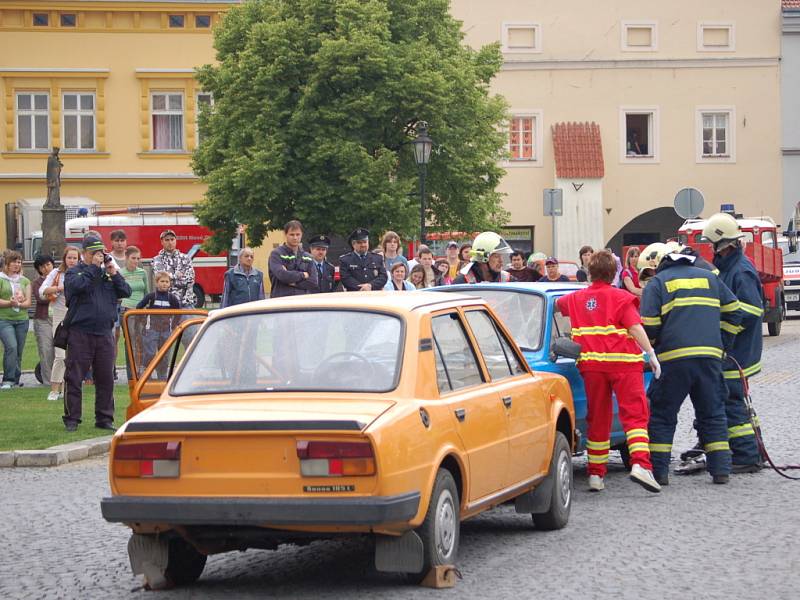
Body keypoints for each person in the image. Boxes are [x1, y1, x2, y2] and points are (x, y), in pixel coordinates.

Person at [556, 250, 662, 493]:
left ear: (590, 272)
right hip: (624, 365)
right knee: (635, 415)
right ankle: (641, 466)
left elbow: (558, 305)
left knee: (598, 417)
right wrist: (651, 355)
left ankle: (595, 474)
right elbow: (635, 328)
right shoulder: (621, 298)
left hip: (592, 367)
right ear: (614, 273)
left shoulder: (574, 299)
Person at [640, 242, 741, 485]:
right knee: (713, 413)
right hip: (709, 359)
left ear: (656, 266)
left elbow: (649, 325)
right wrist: (723, 345)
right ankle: (721, 472)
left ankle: (660, 473)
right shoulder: (709, 278)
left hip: (673, 361)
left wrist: (653, 348)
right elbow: (735, 311)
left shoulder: (658, 283)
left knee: (663, 415)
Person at [702, 212, 764, 472]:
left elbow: (752, 310)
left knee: (733, 401)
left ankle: (746, 456)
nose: (711, 249)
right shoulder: (728, 267)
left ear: (722, 244)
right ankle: (751, 450)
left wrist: (725, 328)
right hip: (733, 349)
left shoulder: (741, 270)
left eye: (713, 244)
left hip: (738, 350)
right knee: (734, 399)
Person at [63, 236, 131, 431]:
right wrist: (93, 267)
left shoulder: (106, 274)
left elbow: (125, 291)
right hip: (80, 332)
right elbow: (77, 287)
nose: (98, 257)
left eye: (100, 253)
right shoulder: (75, 272)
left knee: (106, 378)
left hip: (104, 333)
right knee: (74, 377)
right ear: (85, 253)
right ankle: (72, 419)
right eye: (93, 253)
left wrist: (114, 273)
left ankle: (104, 418)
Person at [41, 245, 80, 401]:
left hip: (77, 315)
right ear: (64, 259)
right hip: (60, 314)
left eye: (75, 258)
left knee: (74, 354)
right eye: (69, 257)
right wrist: (59, 287)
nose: (71, 261)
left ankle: (68, 389)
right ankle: (54, 389)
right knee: (60, 354)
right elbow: (42, 291)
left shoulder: (82, 273)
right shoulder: (56, 273)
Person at [136, 271, 181, 379]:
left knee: (164, 355)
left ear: (170, 283)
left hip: (166, 330)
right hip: (152, 329)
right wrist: (143, 320)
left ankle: (162, 376)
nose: (164, 284)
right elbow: (139, 307)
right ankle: (146, 371)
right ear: (156, 283)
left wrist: (174, 325)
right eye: (162, 281)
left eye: (167, 281)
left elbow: (178, 312)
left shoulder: (172, 298)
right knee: (150, 353)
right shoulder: (151, 296)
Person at [0, 250, 32, 389]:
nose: (16, 264)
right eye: (14, 261)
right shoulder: (1, 279)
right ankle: (8, 379)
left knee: (18, 350)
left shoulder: (24, 281)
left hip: (22, 319)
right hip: (4, 319)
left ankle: (16, 378)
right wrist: (9, 303)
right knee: (11, 347)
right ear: (7, 263)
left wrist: (19, 303)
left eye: (19, 262)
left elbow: (28, 302)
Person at [268, 220, 319, 297]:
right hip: (281, 302)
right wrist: (303, 275)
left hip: (302, 302)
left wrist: (292, 282)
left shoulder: (308, 257)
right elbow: (282, 275)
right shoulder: (276, 254)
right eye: (292, 234)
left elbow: (313, 282)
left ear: (302, 235)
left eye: (298, 234)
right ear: (285, 234)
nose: (295, 237)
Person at [152, 229, 196, 308]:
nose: (170, 242)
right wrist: (177, 276)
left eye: (172, 239)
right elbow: (161, 281)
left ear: (176, 240)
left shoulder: (186, 258)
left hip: (186, 302)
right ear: (162, 242)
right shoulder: (157, 260)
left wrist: (170, 278)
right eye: (167, 240)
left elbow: (189, 280)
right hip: (166, 303)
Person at [32, 254, 56, 389]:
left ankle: (63, 379)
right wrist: (57, 293)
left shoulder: (60, 278)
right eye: (42, 266)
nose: (46, 268)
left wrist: (53, 292)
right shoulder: (37, 283)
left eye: (48, 264)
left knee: (61, 351)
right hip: (43, 319)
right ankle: (48, 382)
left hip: (59, 318)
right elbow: (41, 298)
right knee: (46, 350)